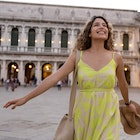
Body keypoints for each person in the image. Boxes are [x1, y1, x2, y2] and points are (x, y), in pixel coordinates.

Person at [3, 16, 137, 140]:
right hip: (84, 110)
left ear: (108, 33)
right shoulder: (77, 56)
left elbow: (123, 84)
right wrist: (25, 98)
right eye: (96, 25)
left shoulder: (116, 57)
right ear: (89, 33)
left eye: (104, 25)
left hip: (108, 110)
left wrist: (127, 103)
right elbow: (54, 78)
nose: (102, 27)